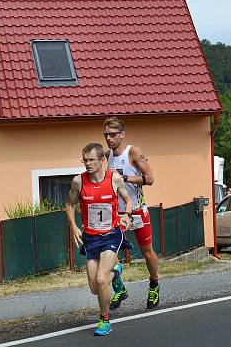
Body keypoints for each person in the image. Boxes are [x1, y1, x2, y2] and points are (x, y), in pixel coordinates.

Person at [66, 143, 133, 336]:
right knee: (95, 288)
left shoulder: (115, 179)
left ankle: (104, 320)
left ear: (102, 160)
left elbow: (128, 200)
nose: (87, 164)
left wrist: (127, 216)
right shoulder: (79, 182)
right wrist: (73, 226)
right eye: (84, 160)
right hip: (91, 238)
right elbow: (69, 205)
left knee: (102, 279)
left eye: (91, 160)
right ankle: (117, 273)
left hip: (112, 235)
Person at [103, 117, 160, 310]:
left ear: (122, 135)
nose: (109, 138)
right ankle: (119, 287)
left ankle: (154, 284)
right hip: (116, 213)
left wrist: (125, 178)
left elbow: (150, 178)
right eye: (106, 135)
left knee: (147, 253)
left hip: (136, 210)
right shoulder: (106, 156)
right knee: (109, 254)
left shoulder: (132, 152)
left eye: (112, 134)